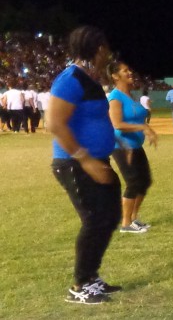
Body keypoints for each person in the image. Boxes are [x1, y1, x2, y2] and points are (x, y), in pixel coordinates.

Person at [48, 26, 121, 304]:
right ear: (98, 48)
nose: (108, 53)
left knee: (110, 216)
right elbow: (54, 123)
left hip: (96, 160)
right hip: (74, 163)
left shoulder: (90, 79)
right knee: (94, 219)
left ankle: (91, 277)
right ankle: (80, 285)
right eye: (106, 48)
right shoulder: (71, 78)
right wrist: (85, 158)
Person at [107, 61, 158, 233]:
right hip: (121, 146)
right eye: (125, 70)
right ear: (115, 76)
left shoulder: (131, 95)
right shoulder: (115, 97)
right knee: (133, 182)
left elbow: (137, 116)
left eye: (129, 69)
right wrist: (144, 127)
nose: (130, 72)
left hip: (135, 145)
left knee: (145, 181)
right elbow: (117, 124)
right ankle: (126, 224)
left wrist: (145, 124)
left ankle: (134, 219)